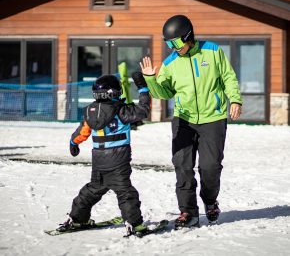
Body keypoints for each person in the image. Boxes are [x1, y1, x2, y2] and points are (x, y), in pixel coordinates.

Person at [140, 15, 242, 229]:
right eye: (168, 44)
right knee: (183, 167)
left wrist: (235, 99)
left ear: (188, 37)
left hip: (213, 118)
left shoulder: (213, 51)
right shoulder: (170, 63)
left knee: (210, 167)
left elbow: (228, 77)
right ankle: (188, 211)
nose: (173, 48)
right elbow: (163, 93)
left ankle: (210, 200)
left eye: (176, 43)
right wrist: (150, 79)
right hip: (183, 120)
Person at [59, 72, 151, 236]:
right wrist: (143, 88)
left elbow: (83, 131)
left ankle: (78, 218)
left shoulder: (91, 112)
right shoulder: (122, 110)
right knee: (125, 192)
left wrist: (74, 143)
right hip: (118, 160)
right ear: (114, 92)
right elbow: (143, 110)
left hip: (99, 161)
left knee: (93, 189)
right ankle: (135, 224)